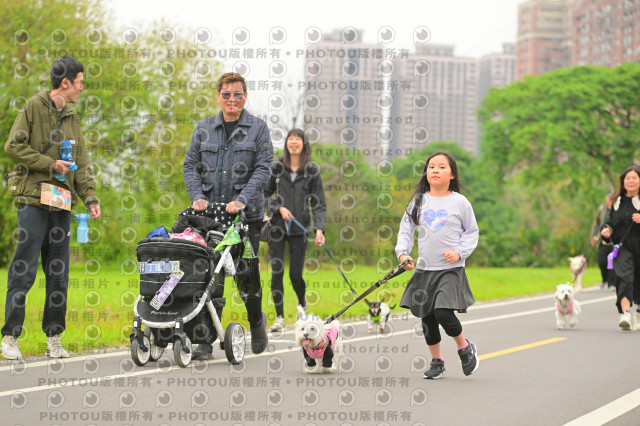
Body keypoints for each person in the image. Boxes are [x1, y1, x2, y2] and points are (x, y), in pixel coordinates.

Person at [1, 56, 101, 359]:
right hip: (33, 200)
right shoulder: (33, 106)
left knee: (59, 274)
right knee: (24, 269)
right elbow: (13, 147)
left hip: (62, 203)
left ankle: (54, 338)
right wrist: (50, 163)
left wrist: (91, 197)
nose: (82, 88)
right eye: (80, 82)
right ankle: (9, 337)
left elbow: (81, 162)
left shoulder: (72, 117)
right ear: (65, 82)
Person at [184, 72, 273, 358]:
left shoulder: (258, 129)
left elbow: (264, 168)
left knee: (246, 277)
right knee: (210, 277)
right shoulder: (204, 129)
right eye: (226, 94)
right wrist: (197, 196)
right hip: (210, 217)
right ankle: (204, 340)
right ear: (218, 96)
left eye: (237, 95)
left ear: (245, 97)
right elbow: (190, 165)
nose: (231, 99)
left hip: (246, 218)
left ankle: (256, 320)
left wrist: (242, 200)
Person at [395, 151, 479, 379]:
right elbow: (405, 230)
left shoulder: (460, 202)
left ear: (452, 174)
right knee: (427, 319)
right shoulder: (418, 201)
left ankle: (465, 348)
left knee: (443, 313)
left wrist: (459, 252)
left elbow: (471, 232)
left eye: (442, 167)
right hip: (424, 269)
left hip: (450, 269)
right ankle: (437, 361)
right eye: (431, 166)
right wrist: (403, 254)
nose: (435, 170)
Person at [263, 129, 326, 332]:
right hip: (277, 228)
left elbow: (319, 203)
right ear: (287, 143)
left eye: (298, 139)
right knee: (277, 272)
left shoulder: (312, 170)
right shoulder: (277, 167)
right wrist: (278, 208)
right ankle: (280, 317)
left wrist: (319, 229)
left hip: (300, 228)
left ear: (303, 144)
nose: (294, 142)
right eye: (291, 139)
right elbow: (264, 195)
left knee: (295, 275)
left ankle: (302, 305)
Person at [601, 165, 640, 331]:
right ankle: (625, 314)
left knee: (638, 280)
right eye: (627, 178)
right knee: (624, 277)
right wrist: (606, 230)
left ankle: (638, 313)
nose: (630, 181)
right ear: (623, 182)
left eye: (634, 178)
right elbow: (610, 222)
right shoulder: (616, 201)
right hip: (623, 246)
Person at [589, 193, 616, 291]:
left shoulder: (619, 207)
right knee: (602, 261)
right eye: (609, 197)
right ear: (606, 198)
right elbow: (596, 223)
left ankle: (612, 283)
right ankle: (604, 279)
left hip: (615, 239)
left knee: (612, 260)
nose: (611, 199)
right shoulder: (602, 208)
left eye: (613, 197)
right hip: (603, 238)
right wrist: (593, 236)